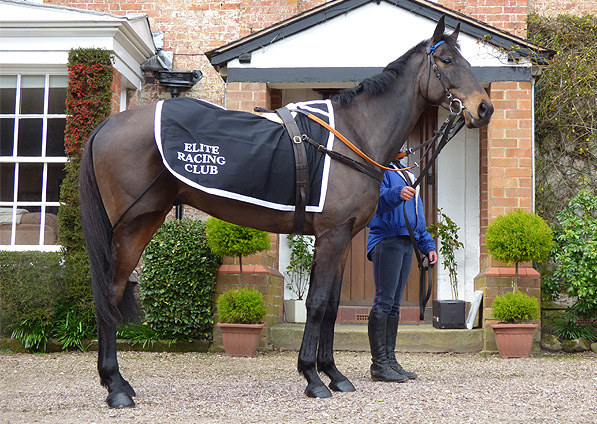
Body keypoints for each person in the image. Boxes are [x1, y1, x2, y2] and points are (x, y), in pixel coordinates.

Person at [366, 161, 437, 382]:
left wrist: (428, 246)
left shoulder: (407, 173)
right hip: (386, 240)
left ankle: (390, 359)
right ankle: (379, 364)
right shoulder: (381, 169)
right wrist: (397, 193)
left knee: (394, 304)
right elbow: (373, 202)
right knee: (384, 301)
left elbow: (418, 216)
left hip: (409, 243)